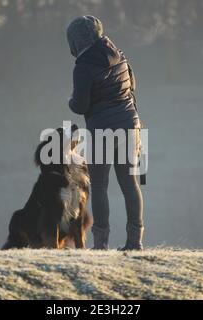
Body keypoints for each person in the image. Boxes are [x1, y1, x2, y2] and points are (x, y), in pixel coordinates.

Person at [66, 15, 144, 250]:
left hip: (102, 130)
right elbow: (133, 84)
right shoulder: (119, 54)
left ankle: (101, 244)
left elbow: (79, 106)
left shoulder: (83, 67)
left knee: (99, 185)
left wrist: (70, 101)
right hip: (131, 125)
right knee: (130, 184)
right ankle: (135, 241)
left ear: (76, 42)